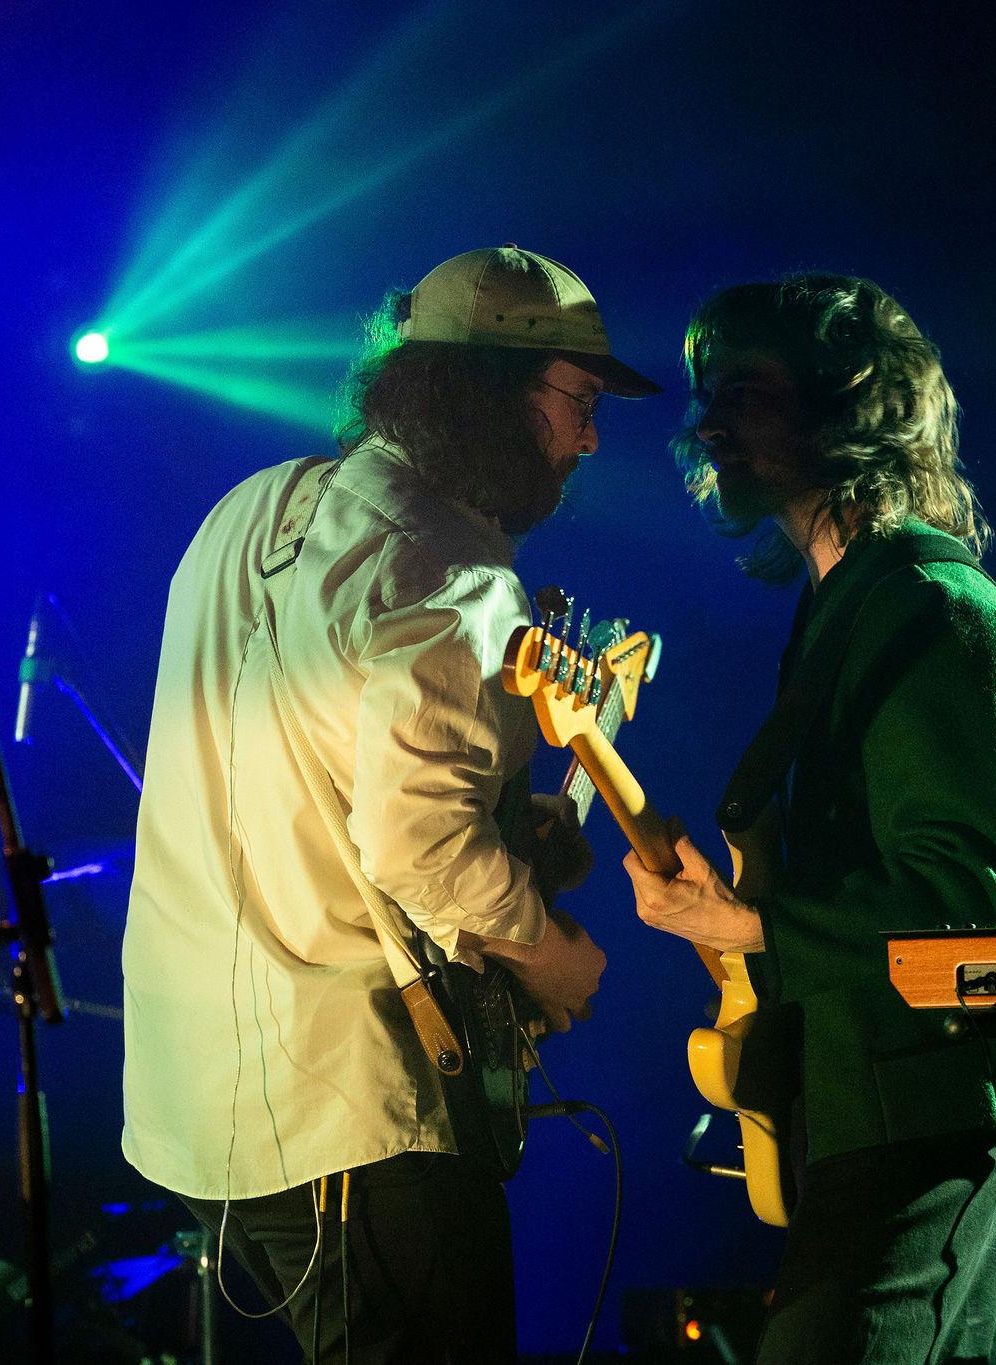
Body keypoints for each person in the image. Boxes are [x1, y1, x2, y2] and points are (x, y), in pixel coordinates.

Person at [122, 246, 657, 1363]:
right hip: (352, 1107)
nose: (589, 440)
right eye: (580, 402)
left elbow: (311, 788)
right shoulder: (452, 569)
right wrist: (550, 954)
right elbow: (421, 847)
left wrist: (516, 830)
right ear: (490, 390)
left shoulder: (247, 508)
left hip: (196, 1104)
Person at [622, 273, 996, 1363]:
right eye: (707, 395)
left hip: (930, 1119)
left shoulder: (932, 610)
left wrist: (752, 926)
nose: (708, 423)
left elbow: (957, 891)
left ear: (848, 404)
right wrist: (743, 900)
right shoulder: (842, 605)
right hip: (864, 1112)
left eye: (744, 393)